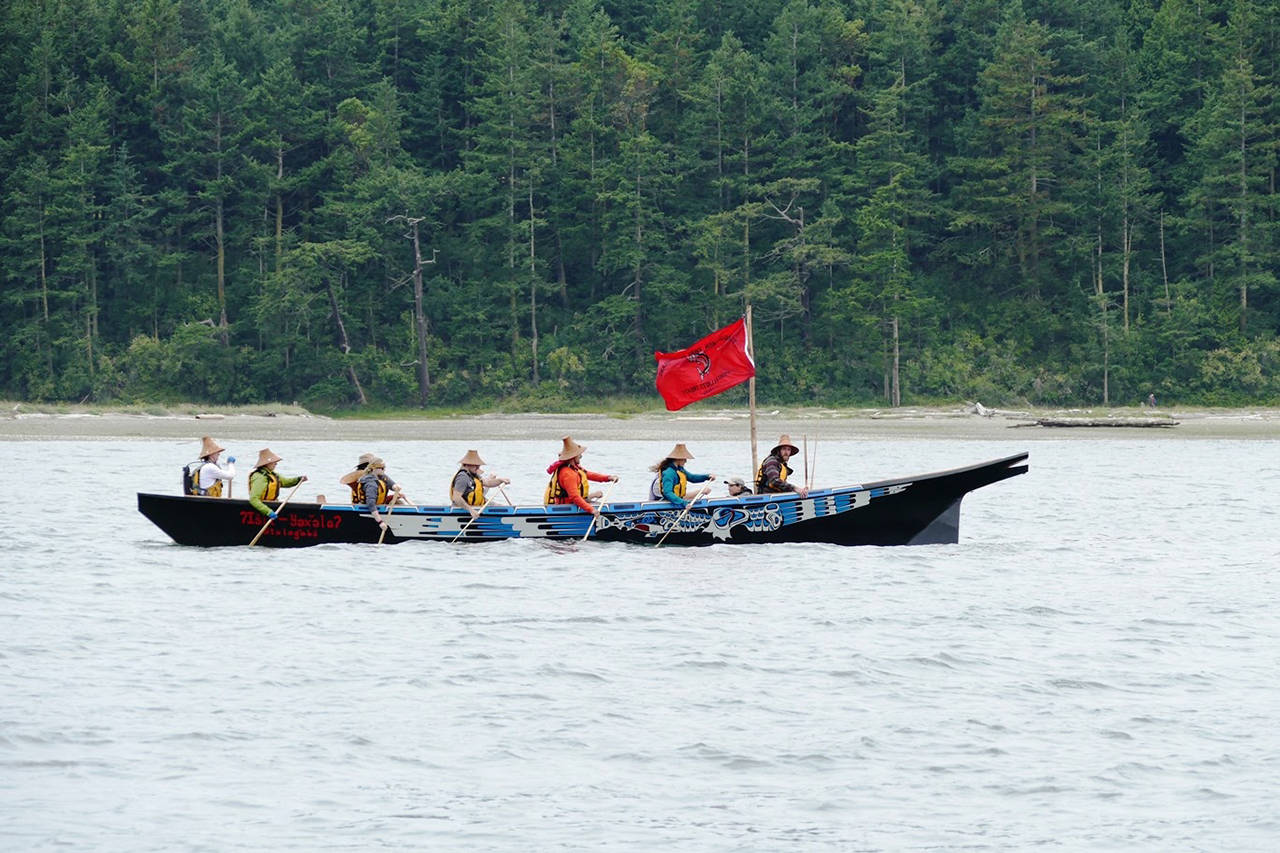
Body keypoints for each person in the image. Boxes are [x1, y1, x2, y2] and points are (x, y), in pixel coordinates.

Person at [544, 435, 618, 517]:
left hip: (573, 503)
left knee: (598, 502)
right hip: (567, 507)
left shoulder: (574, 468)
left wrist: (608, 478)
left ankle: (592, 496)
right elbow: (575, 497)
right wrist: (592, 510)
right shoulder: (568, 474)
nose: (580, 456)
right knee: (596, 504)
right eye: (579, 454)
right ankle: (593, 496)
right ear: (573, 457)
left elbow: (589, 474)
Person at [247, 448, 308, 519]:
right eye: (273, 462)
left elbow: (286, 482)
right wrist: (268, 512)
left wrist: (298, 479)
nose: (276, 463)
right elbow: (253, 499)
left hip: (272, 505)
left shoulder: (273, 474)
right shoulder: (260, 477)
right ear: (267, 463)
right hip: (264, 509)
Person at [354, 457, 412, 532]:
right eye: (382, 468)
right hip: (371, 509)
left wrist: (395, 487)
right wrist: (380, 522)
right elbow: (371, 504)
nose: (384, 470)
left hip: (380, 504)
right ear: (375, 469)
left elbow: (389, 482)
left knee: (399, 502)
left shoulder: (380, 476)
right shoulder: (371, 484)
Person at [647, 443, 714, 506]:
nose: (686, 461)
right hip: (660, 503)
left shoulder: (679, 470)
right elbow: (668, 493)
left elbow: (692, 478)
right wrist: (683, 503)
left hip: (673, 500)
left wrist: (707, 476)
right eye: (684, 459)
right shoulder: (668, 473)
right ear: (678, 459)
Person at [452, 449, 511, 518]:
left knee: (504, 508)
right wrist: (471, 510)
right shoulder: (463, 477)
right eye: (476, 466)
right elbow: (456, 498)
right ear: (467, 465)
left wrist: (500, 480)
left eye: (479, 466)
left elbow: (488, 483)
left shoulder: (474, 475)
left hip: (480, 504)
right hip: (466, 508)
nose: (478, 468)